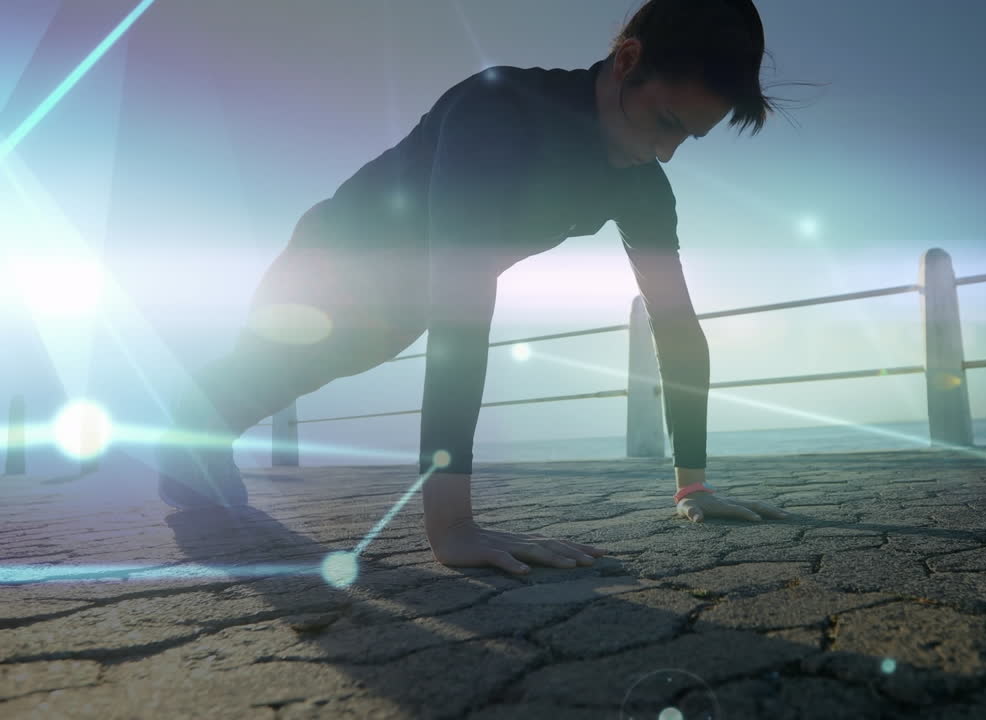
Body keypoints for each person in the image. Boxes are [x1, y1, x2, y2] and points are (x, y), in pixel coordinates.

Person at [156, 0, 795, 575]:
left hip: (406, 299)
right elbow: (463, 306)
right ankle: (188, 432)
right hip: (329, 261)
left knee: (325, 365)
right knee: (273, 370)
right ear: (628, 61)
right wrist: (453, 528)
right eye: (666, 122)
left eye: (687, 136)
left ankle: (201, 437)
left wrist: (692, 486)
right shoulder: (497, 110)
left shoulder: (641, 184)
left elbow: (676, 325)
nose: (666, 152)